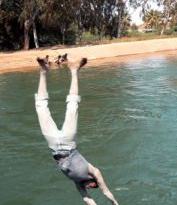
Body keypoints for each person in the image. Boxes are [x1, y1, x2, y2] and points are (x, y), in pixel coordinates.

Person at [35, 55, 118, 205]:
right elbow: (106, 191)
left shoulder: (78, 183)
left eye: (93, 188)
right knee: (72, 107)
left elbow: (87, 200)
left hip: (53, 145)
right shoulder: (94, 171)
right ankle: (74, 71)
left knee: (41, 108)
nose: (93, 187)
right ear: (94, 181)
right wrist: (115, 203)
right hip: (68, 143)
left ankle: (43, 70)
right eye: (95, 185)